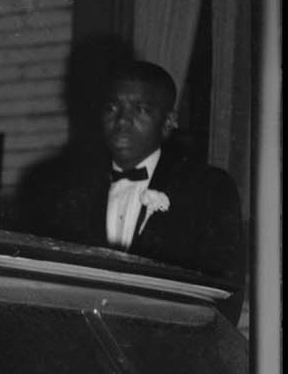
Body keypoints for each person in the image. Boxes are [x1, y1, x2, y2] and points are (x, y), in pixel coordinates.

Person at [28, 53, 246, 316]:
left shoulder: (208, 189)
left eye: (140, 109)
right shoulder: (63, 192)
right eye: (112, 108)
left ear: (168, 122)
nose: (121, 121)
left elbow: (225, 296)